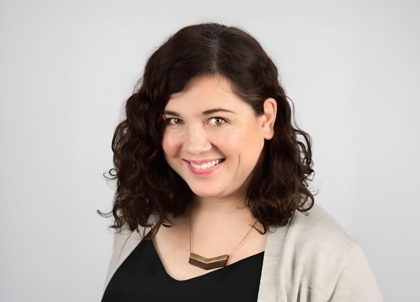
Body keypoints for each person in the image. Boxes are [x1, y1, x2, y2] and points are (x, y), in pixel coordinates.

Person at [100, 23, 382, 301]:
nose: (195, 145)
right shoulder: (141, 220)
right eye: (174, 120)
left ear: (267, 119)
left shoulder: (329, 258)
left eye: (218, 120)